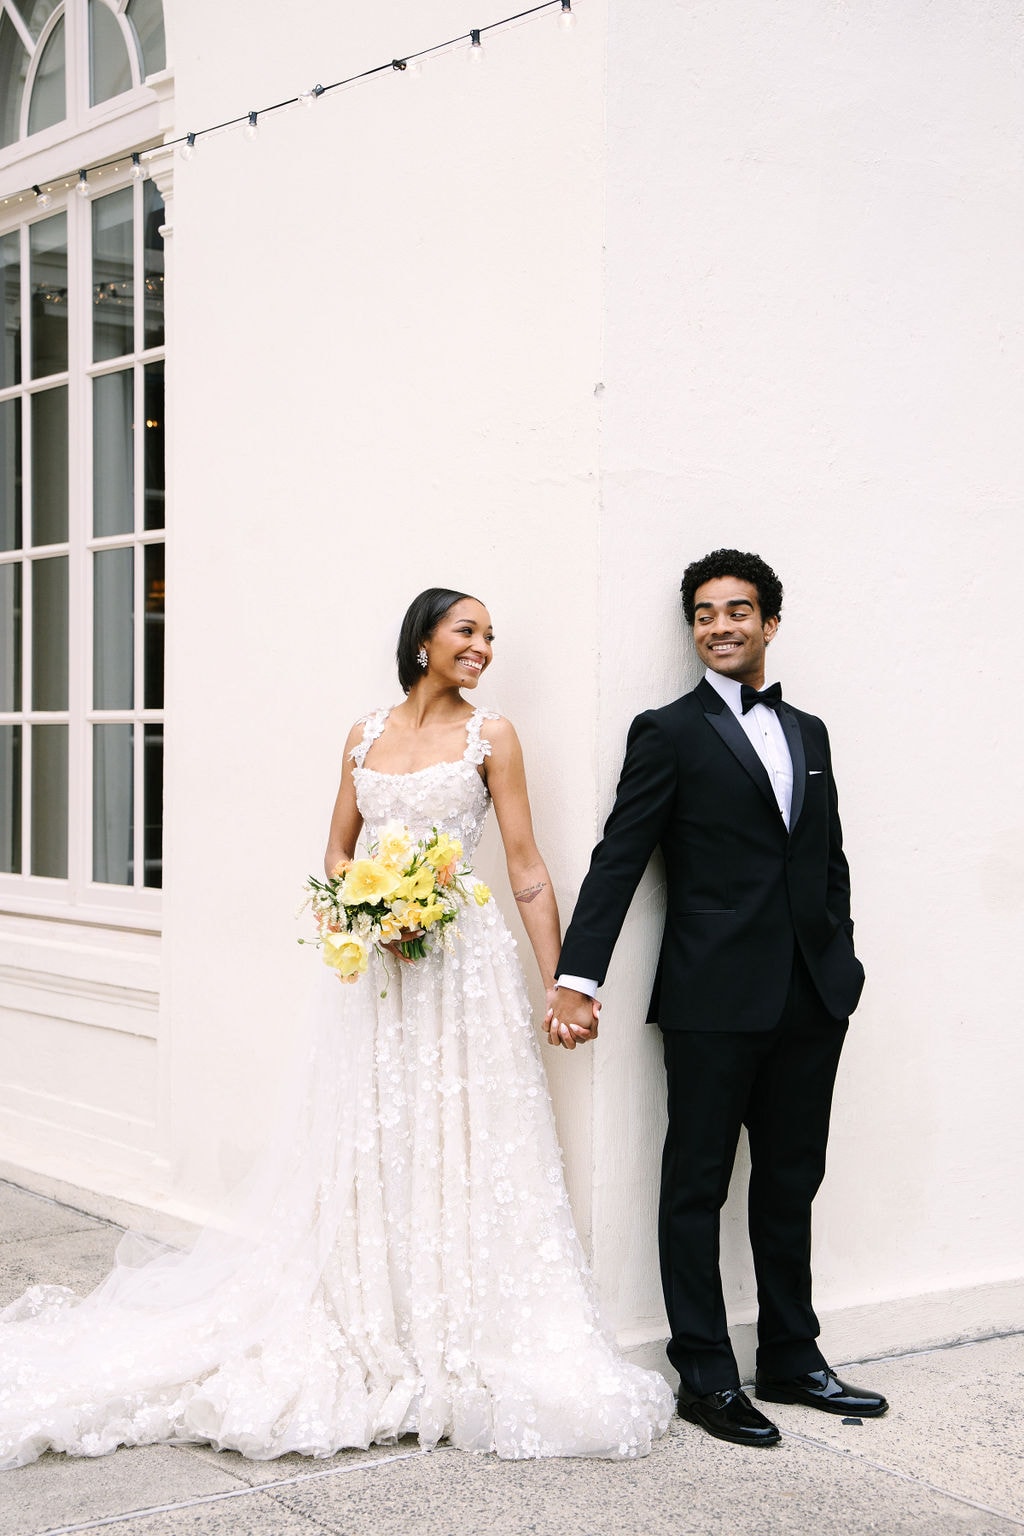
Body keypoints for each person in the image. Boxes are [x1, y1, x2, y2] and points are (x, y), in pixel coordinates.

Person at [0, 587, 674, 1471]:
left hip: (460, 971)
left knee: (465, 1138)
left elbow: (526, 866)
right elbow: (336, 849)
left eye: (491, 637)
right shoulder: (363, 735)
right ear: (423, 639)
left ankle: (455, 1326)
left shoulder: (493, 736)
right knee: (370, 1137)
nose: (483, 648)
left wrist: (563, 984)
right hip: (380, 978)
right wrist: (372, 908)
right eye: (468, 631)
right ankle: (364, 1316)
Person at [549, 550, 888, 1447]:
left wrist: (841, 965)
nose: (720, 626)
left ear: (770, 623)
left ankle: (791, 1354)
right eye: (704, 614)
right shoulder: (667, 731)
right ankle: (704, 1372)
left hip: (811, 1000)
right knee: (696, 1184)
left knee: (790, 1181)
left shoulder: (809, 731)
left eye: (738, 611)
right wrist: (579, 978)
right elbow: (620, 856)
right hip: (710, 998)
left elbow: (827, 859)